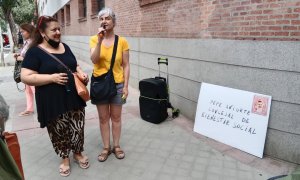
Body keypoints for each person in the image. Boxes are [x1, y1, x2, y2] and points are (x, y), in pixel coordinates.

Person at [21, 16, 90, 177]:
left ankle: (78, 153)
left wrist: (81, 74)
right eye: (54, 30)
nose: (58, 32)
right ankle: (65, 158)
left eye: (59, 29)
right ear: (42, 33)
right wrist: (51, 78)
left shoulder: (64, 46)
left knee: (77, 126)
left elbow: (74, 64)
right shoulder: (34, 52)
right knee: (59, 130)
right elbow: (25, 76)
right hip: (51, 100)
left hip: (74, 96)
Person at [89, 7, 130, 162]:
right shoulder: (94, 39)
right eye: (101, 19)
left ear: (114, 21)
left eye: (107, 18)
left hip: (118, 84)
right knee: (103, 118)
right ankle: (106, 147)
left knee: (117, 117)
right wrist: (99, 41)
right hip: (100, 84)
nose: (104, 21)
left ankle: (117, 146)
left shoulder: (122, 41)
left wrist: (126, 85)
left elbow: (126, 65)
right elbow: (94, 60)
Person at [13, 24, 35, 117]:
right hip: (25, 70)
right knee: (28, 91)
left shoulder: (33, 43)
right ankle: (29, 109)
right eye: (20, 32)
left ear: (29, 31)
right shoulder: (27, 42)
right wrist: (18, 55)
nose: (21, 33)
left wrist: (20, 58)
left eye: (23, 31)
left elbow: (33, 59)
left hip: (32, 71)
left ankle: (47, 108)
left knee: (35, 90)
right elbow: (25, 54)